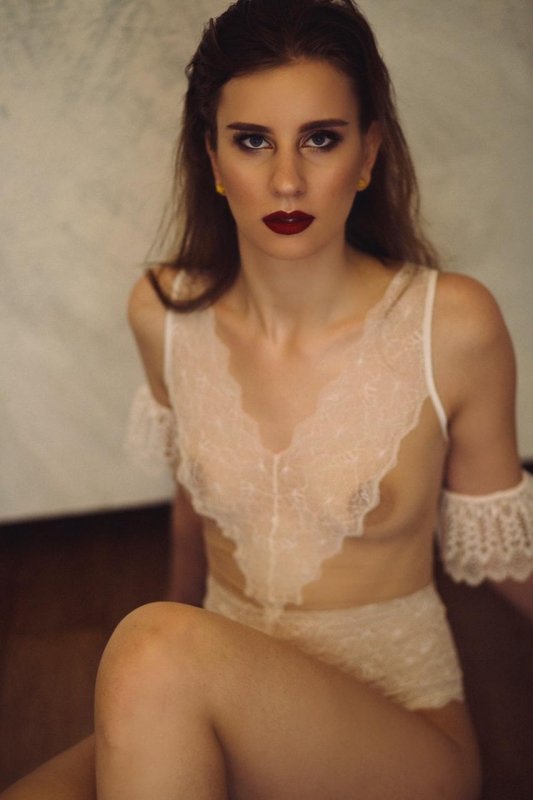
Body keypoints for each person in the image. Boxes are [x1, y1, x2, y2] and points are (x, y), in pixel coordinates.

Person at [3, 0, 532, 798]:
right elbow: (193, 511)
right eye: (252, 141)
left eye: (320, 139)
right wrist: (146, 692)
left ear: (367, 153)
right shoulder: (164, 314)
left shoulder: (450, 325)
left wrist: (159, 653)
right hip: (212, 693)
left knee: (152, 648)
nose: (287, 180)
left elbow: (505, 554)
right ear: (213, 158)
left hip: (402, 732)